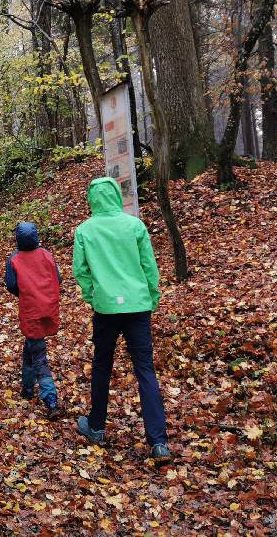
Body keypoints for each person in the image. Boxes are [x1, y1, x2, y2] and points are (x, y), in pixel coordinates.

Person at [72, 177, 173, 463]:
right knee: (145, 370)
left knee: (102, 364)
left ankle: (96, 426)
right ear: (117, 195)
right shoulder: (134, 225)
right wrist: (152, 296)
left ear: (92, 199)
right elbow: (148, 266)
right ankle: (158, 442)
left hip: (106, 308)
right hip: (138, 305)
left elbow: (81, 271)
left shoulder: (85, 231)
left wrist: (94, 296)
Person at [4, 222, 63, 420]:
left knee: (38, 355)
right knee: (31, 347)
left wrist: (25, 292)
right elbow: (58, 279)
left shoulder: (14, 259)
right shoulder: (47, 254)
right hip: (49, 306)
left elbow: (11, 285)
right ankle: (27, 388)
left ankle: (50, 398)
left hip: (31, 310)